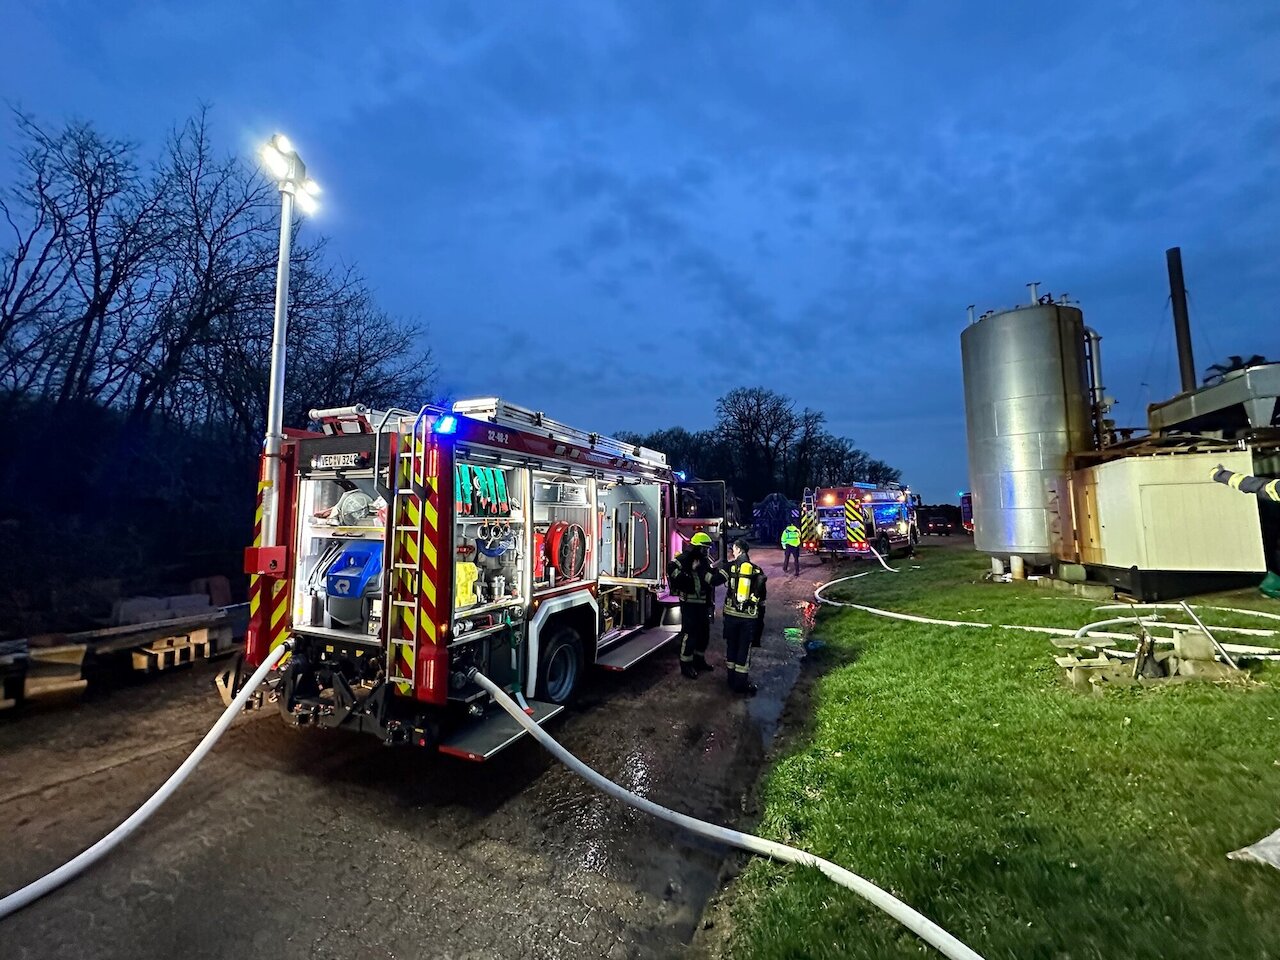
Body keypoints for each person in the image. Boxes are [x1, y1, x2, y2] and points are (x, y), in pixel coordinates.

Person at [667, 531, 725, 679]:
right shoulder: (685, 558)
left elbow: (710, 576)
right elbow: (671, 568)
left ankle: (699, 660)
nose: (707, 551)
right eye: (704, 548)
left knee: (704, 634)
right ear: (697, 547)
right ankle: (686, 665)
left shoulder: (703, 560)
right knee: (690, 634)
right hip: (689, 603)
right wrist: (686, 578)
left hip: (702, 604)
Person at [720, 538, 766, 696]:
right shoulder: (756, 570)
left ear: (739, 550)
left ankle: (730, 679)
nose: (732, 551)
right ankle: (740, 683)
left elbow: (715, 580)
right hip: (748, 618)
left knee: (731, 646)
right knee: (744, 650)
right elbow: (762, 596)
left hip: (731, 615)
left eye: (734, 548)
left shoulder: (730, 567)